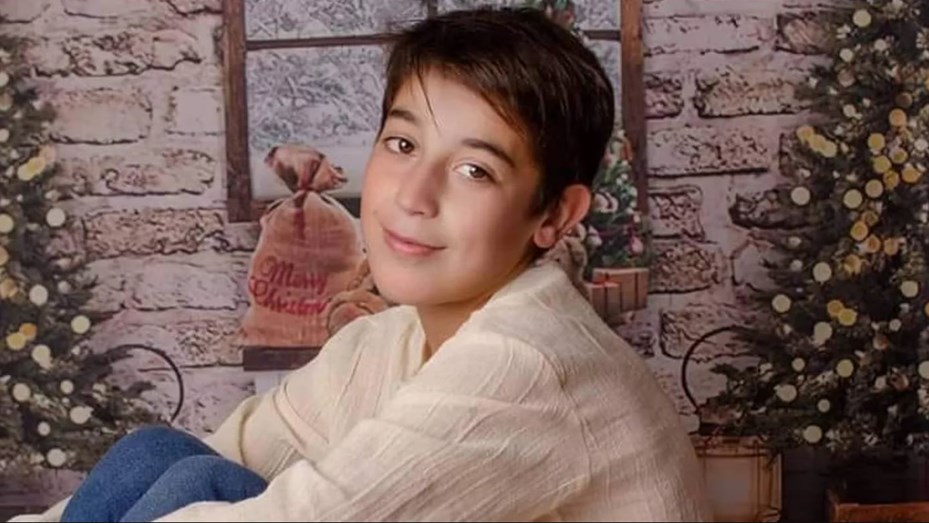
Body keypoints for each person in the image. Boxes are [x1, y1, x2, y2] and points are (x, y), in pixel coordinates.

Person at [12, 6, 711, 522]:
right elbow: (236, 451)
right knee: (160, 457)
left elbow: (301, 518)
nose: (413, 197)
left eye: (474, 170)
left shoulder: (528, 362)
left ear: (554, 214)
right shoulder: (383, 342)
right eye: (403, 146)